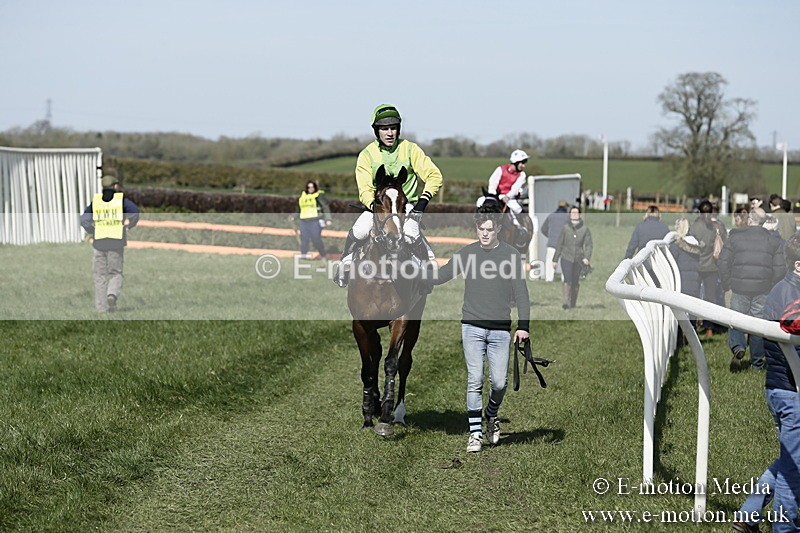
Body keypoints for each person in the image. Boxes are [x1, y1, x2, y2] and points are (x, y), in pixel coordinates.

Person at [424, 205, 530, 453]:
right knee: (475, 380)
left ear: (498, 230)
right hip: (471, 326)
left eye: (489, 230)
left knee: (500, 383)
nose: (484, 234)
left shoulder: (511, 255)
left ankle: (491, 415)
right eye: (480, 229)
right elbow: (441, 275)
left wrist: (523, 326)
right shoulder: (468, 253)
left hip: (500, 331)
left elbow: (522, 294)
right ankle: (475, 433)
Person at [333, 104, 443, 287]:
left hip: (405, 205)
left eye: (393, 128)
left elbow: (434, 176)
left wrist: (422, 203)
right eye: (384, 129)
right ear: (377, 131)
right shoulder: (367, 155)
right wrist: (373, 205)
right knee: (359, 230)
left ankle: (427, 269)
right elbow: (365, 189)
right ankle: (345, 263)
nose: (390, 133)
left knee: (410, 233)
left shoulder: (410, 149)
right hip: (378, 206)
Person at [733, 233, 800, 533]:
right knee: (792, 469)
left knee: (790, 457)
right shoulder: (793, 295)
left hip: (777, 388)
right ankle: (784, 528)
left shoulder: (779, 288)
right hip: (791, 391)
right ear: (798, 265)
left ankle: (749, 515)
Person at [717, 207, 785, 371]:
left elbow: (723, 262)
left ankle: (738, 347)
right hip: (763, 288)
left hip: (739, 286)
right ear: (763, 222)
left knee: (735, 320)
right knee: (758, 325)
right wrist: (771, 284)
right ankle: (757, 362)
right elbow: (780, 269)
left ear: (749, 219)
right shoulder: (773, 241)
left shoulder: (735, 237)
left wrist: (727, 283)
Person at [80, 174, 140, 312]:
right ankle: (112, 294)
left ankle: (101, 309)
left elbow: (84, 220)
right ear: (115, 186)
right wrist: (129, 225)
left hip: (99, 243)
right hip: (116, 243)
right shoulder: (121, 201)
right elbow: (135, 212)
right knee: (115, 273)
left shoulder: (96, 202)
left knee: (100, 276)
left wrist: (92, 230)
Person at [689, 200, 727, 335]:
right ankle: (709, 328)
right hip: (712, 267)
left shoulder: (693, 227)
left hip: (695, 266)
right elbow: (725, 245)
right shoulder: (718, 227)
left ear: (699, 212)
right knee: (711, 298)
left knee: (692, 297)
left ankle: (692, 327)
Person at [553, 206, 593, 309]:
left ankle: (573, 303)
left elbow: (589, 244)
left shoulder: (585, 229)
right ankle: (566, 302)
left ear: (579, 214)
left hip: (579, 259)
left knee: (575, 281)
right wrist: (555, 259)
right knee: (567, 279)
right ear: (570, 215)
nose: (574, 214)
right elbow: (559, 244)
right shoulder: (565, 228)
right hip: (566, 257)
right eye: (572, 212)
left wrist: (587, 258)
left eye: (576, 212)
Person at [486, 149, 528, 228]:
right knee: (481, 203)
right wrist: (493, 195)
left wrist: (507, 196)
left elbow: (515, 189)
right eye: (522, 163)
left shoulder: (522, 175)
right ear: (516, 162)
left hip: (510, 199)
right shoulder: (500, 169)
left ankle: (523, 229)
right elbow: (492, 182)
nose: (523, 165)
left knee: (519, 210)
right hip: (496, 196)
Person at [293, 179, 331, 259]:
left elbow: (325, 207)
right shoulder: (303, 195)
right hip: (304, 221)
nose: (310, 189)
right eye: (309, 187)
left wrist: (328, 219)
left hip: (315, 221)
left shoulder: (319, 195)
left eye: (312, 187)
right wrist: (294, 216)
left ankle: (323, 255)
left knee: (315, 238)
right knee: (304, 239)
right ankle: (304, 255)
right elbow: (299, 209)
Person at [540, 200, 570, 282]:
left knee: (550, 261)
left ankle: (549, 279)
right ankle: (565, 279)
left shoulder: (551, 216)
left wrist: (550, 236)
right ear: (566, 207)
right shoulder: (568, 217)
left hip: (552, 244)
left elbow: (543, 229)